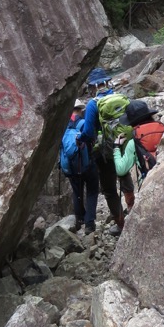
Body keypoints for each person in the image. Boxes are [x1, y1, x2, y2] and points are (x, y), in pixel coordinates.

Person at [78, 68, 135, 236]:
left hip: (105, 152)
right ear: (107, 82)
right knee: (124, 176)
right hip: (124, 144)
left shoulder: (93, 104)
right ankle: (132, 209)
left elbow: (88, 132)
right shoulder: (121, 98)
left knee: (109, 189)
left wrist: (81, 140)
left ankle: (121, 225)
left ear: (93, 87)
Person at [60, 99, 99, 235]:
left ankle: (79, 219)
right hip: (87, 163)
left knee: (77, 192)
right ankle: (89, 223)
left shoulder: (62, 126)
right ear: (80, 110)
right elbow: (92, 139)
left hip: (70, 166)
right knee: (92, 190)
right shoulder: (83, 123)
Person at [113, 100, 160, 186]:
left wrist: (116, 147)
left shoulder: (134, 143)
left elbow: (121, 170)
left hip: (148, 184)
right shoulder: (163, 130)